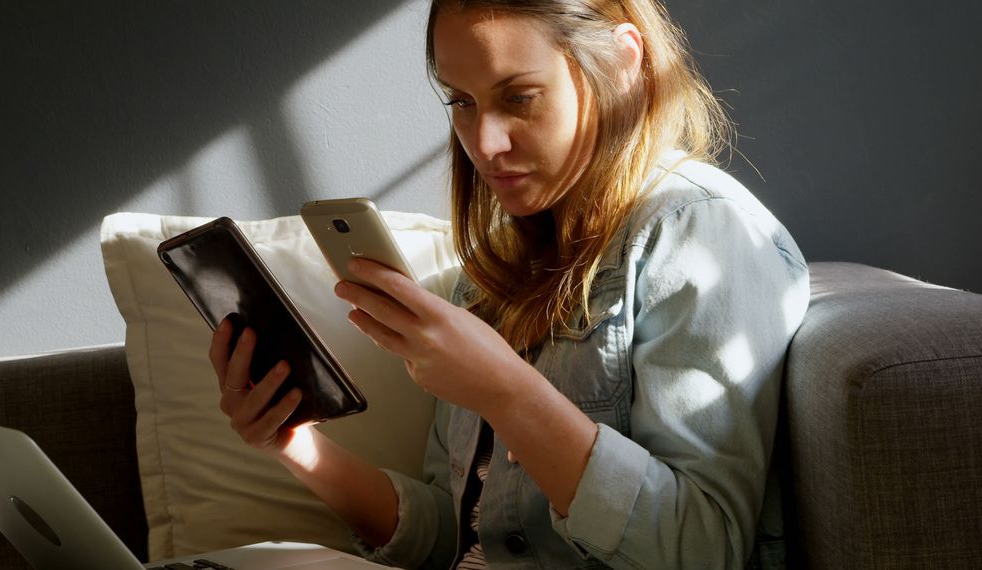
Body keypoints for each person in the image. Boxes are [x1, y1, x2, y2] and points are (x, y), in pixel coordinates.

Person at [210, 0, 810, 568]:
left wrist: (507, 392)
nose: (485, 144)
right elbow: (458, 534)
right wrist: (296, 447)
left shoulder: (698, 231)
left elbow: (705, 550)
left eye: (519, 97)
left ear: (625, 64)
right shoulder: (494, 272)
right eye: (462, 102)